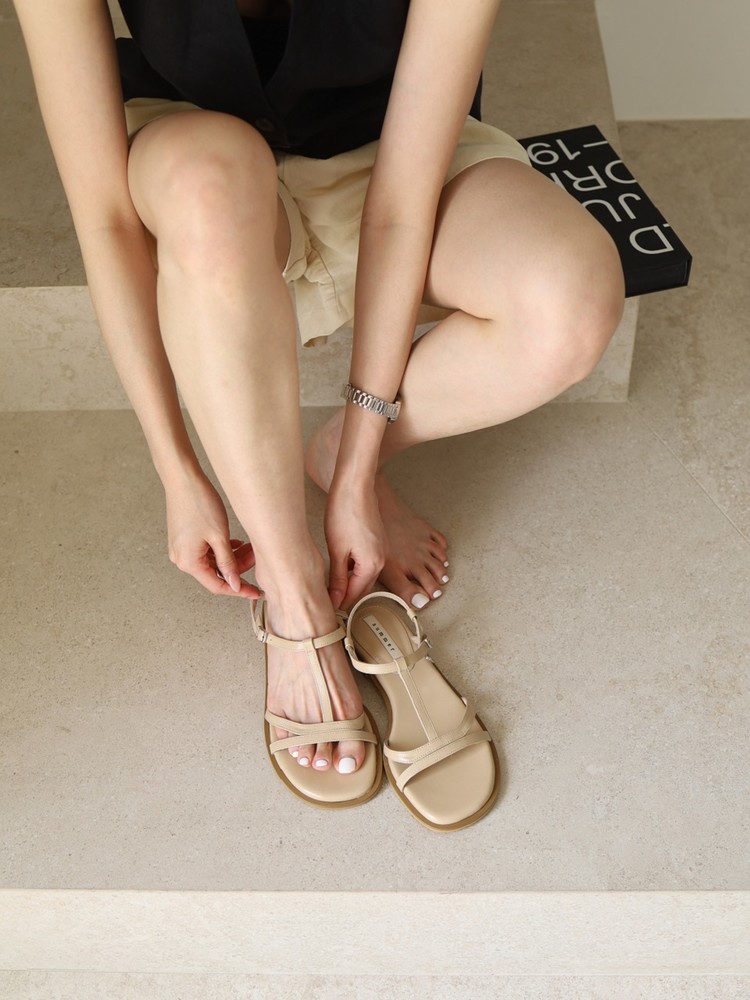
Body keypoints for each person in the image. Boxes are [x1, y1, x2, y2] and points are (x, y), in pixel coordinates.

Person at [14, 0, 624, 816]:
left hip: (391, 155)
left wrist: (360, 466)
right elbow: (108, 219)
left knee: (569, 301)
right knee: (208, 179)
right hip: (200, 176)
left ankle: (337, 457)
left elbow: (400, 208)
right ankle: (294, 595)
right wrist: (176, 469)